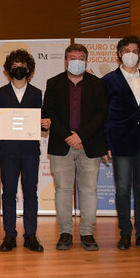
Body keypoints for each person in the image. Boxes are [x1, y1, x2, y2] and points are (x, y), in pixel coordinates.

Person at [43, 43, 108, 251]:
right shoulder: (53, 83)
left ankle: (88, 233)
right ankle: (65, 233)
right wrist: (69, 136)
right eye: (72, 57)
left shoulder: (98, 84)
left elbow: (102, 114)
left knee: (88, 191)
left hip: (90, 144)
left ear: (86, 61)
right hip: (62, 144)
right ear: (65, 61)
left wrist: (81, 135)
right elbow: (49, 112)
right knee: (62, 190)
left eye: (80, 57)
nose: (76, 61)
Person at [0, 49, 50, 252]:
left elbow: (40, 124)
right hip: (8, 151)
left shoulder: (36, 93)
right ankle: (9, 235)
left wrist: (46, 124)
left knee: (30, 193)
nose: (19, 69)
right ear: (8, 70)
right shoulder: (1, 93)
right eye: (14, 66)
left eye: (22, 66)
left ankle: (31, 235)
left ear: (29, 69)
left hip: (31, 151)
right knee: (9, 193)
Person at [103, 35, 140, 252]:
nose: (130, 54)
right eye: (126, 50)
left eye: (135, 51)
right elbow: (104, 114)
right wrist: (106, 142)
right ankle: (125, 232)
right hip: (120, 143)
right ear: (119, 54)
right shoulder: (108, 80)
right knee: (123, 190)